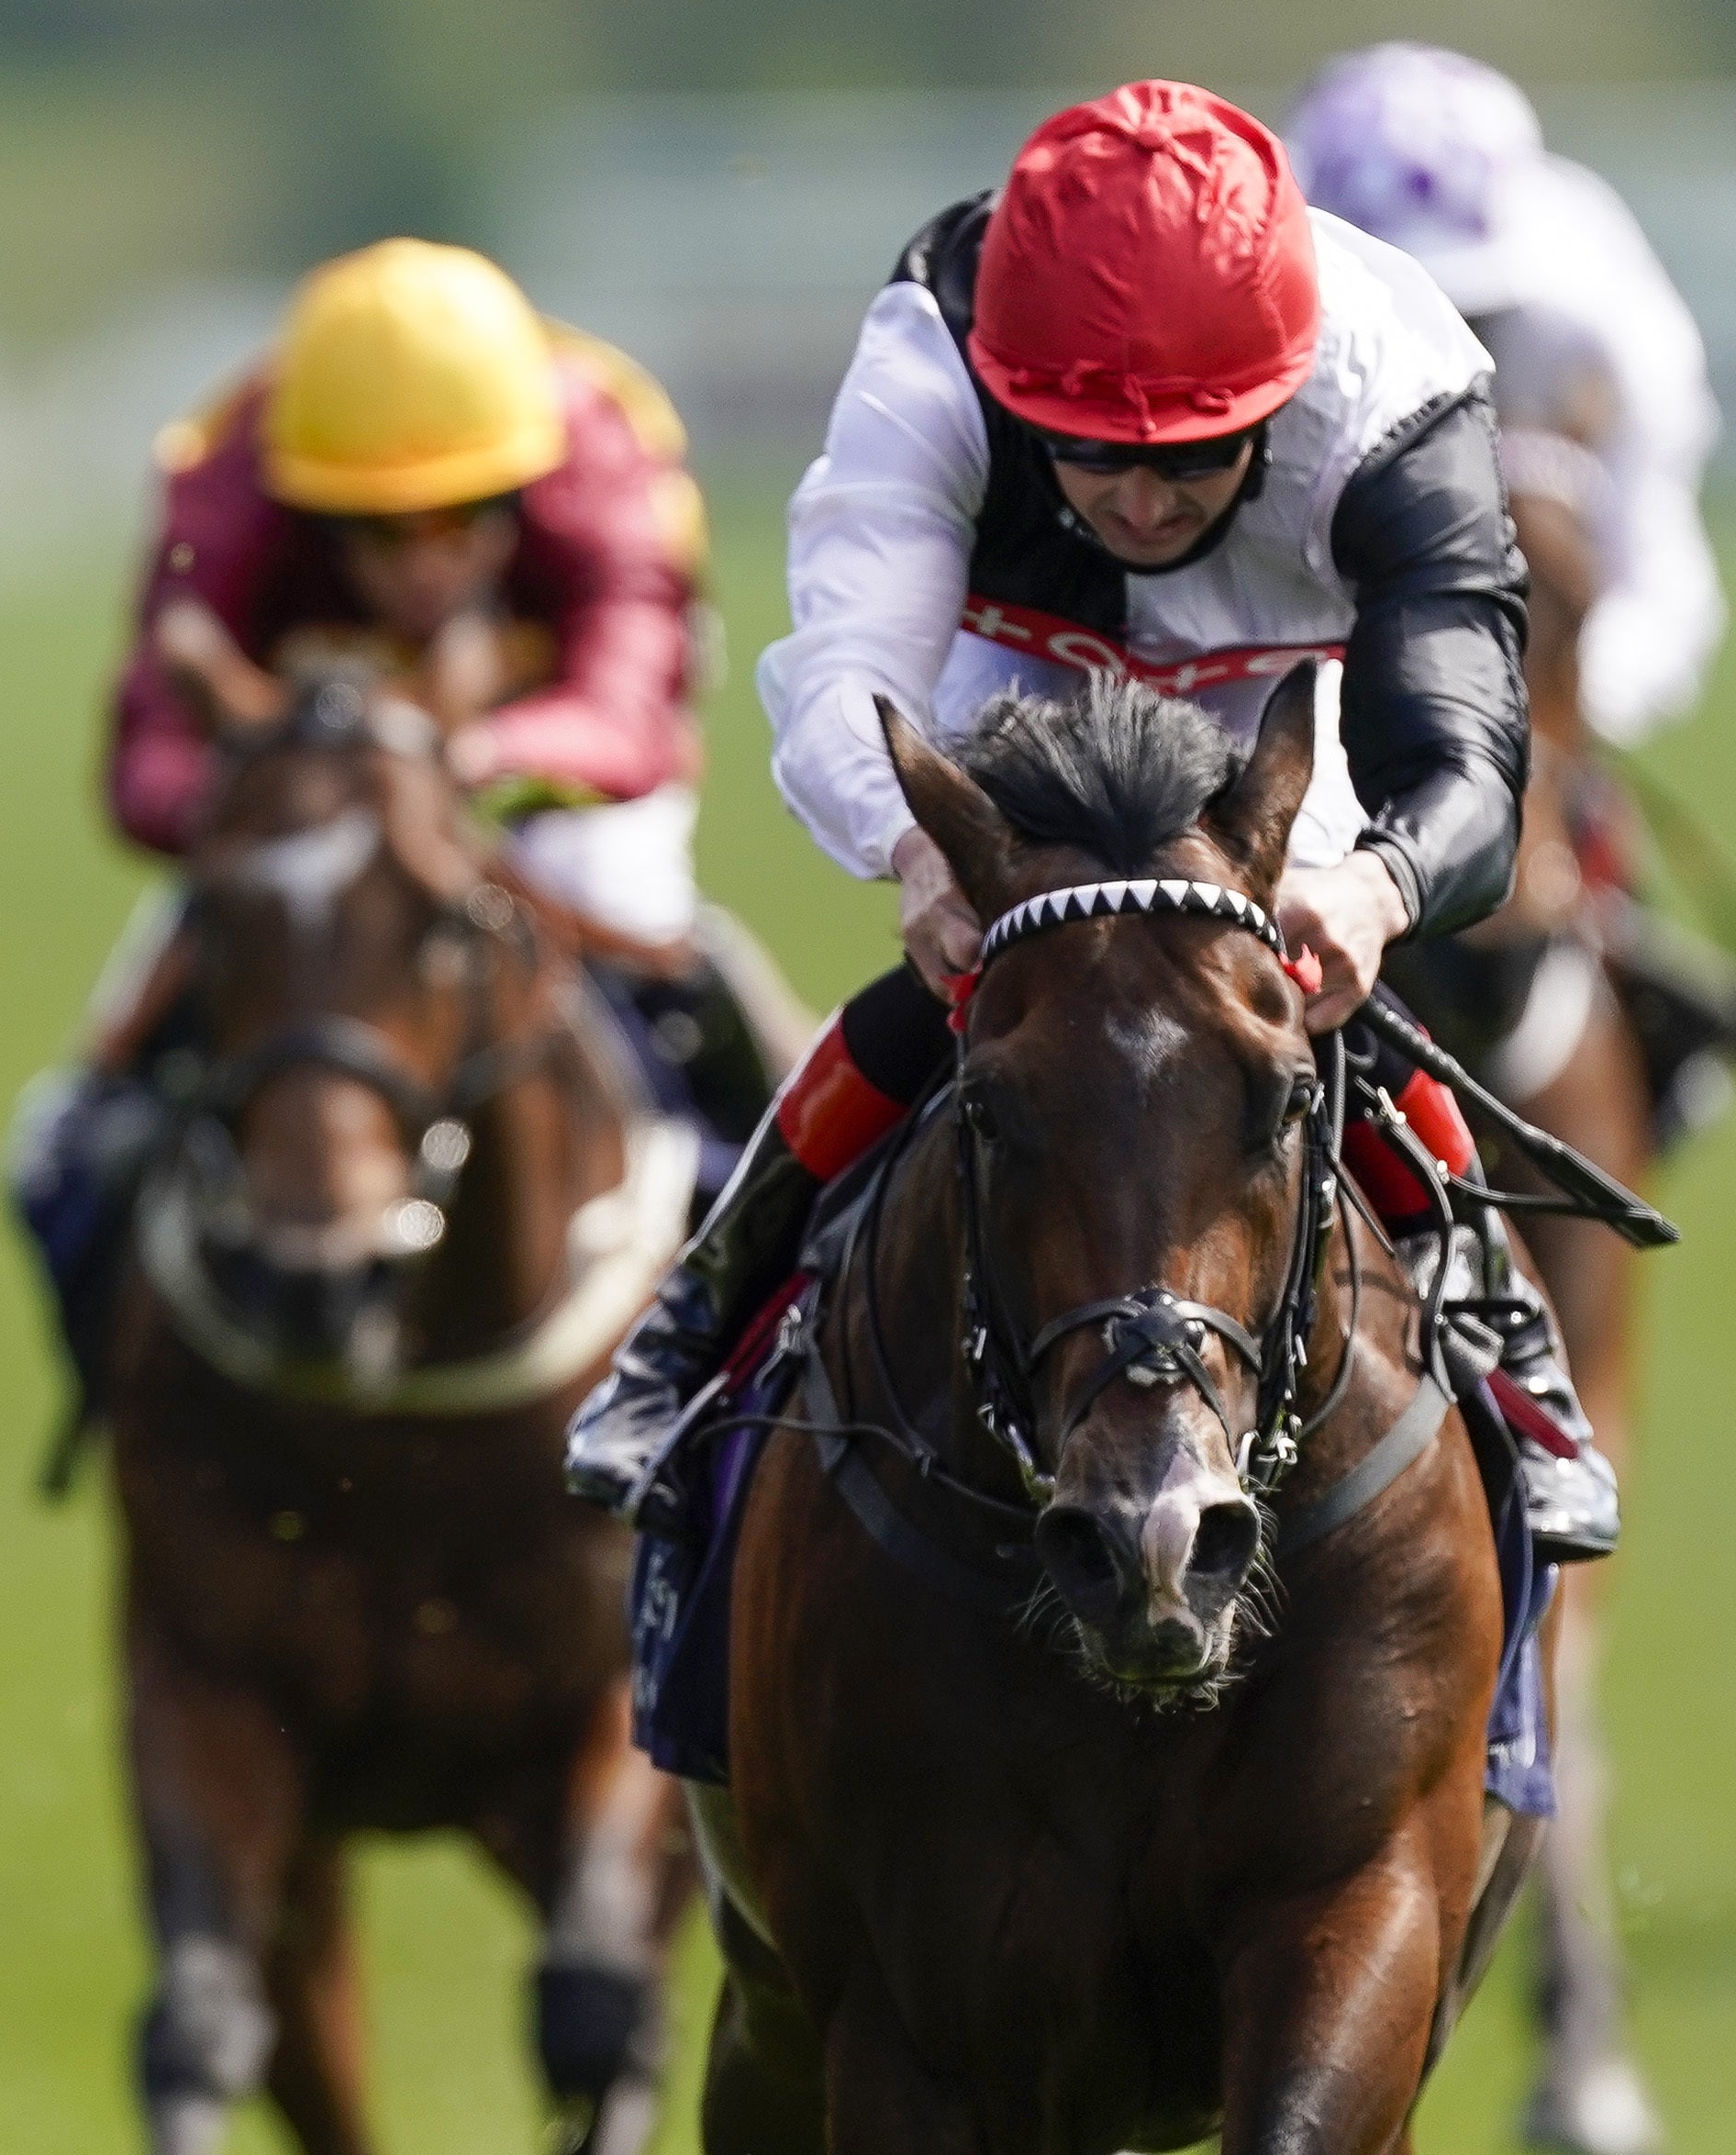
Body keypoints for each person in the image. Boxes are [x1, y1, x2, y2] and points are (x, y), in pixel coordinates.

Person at [561, 78, 1615, 1559]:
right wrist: (922, 855)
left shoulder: (1395, 385)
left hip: (1286, 688)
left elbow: (1464, 756)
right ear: (1012, 387)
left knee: (1283, 1006)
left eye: (1193, 450)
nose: (1136, 498)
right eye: (1091, 448)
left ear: (1282, 385)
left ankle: (1508, 1335)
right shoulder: (934, 346)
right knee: (1010, 978)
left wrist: (1374, 891)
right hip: (1024, 675)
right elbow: (850, 674)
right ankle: (695, 1318)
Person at [6, 240, 774, 1401]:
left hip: (549, 803)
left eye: (468, 517)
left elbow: (630, 718)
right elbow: (148, 761)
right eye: (376, 529)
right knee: (65, 1135)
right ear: (307, 497)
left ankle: (747, 1374)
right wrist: (278, 794)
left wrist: (456, 757)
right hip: (304, 818)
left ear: (526, 485)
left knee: (734, 1027)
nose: (428, 562)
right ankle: (119, 1389)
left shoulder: (602, 456)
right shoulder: (227, 480)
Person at [1285, 43, 1736, 1136]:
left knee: (1574, 830)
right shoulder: (1245, 285)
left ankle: (1640, 1040)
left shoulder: (1609, 316)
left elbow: (1665, 585)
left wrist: (1530, 723)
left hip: (1542, 695)